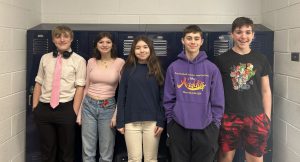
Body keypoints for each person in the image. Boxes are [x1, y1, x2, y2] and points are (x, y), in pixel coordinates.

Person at [163, 25, 225, 162]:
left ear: (201, 41)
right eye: (189, 38)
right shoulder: (173, 68)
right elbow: (168, 99)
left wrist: (215, 125)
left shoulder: (211, 69)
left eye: (196, 38)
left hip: (206, 129)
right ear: (182, 41)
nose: (193, 42)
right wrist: (171, 121)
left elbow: (218, 101)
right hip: (178, 127)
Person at [215, 17, 272, 162]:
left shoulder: (261, 59)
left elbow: (266, 91)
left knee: (255, 159)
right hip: (229, 117)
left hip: (256, 117)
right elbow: (216, 92)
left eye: (248, 32)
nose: (243, 36)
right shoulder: (221, 60)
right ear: (232, 34)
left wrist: (267, 117)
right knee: (225, 158)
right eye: (239, 32)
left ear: (253, 35)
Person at [32, 25, 86, 162]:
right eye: (58, 36)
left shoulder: (79, 61)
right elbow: (38, 82)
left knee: (66, 152)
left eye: (65, 36)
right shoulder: (45, 58)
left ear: (71, 39)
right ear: (53, 40)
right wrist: (35, 106)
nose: (62, 39)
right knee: (47, 151)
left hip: (66, 109)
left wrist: (73, 111)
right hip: (44, 108)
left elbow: (80, 87)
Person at [76, 32, 125, 162]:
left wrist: (116, 115)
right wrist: (80, 113)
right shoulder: (91, 61)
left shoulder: (119, 62)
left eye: (108, 42)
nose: (104, 45)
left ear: (112, 45)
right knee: (88, 151)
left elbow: (123, 91)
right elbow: (86, 87)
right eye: (101, 42)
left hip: (108, 107)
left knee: (106, 152)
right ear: (96, 45)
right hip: (88, 106)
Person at [116, 35, 165, 162]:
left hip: (152, 122)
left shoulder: (157, 68)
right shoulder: (127, 70)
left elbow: (162, 98)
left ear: (150, 49)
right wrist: (120, 121)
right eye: (138, 48)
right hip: (131, 122)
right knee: (133, 159)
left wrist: (161, 121)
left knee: (151, 159)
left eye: (145, 47)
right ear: (133, 50)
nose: (142, 51)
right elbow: (121, 97)